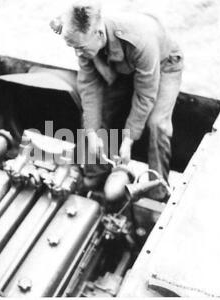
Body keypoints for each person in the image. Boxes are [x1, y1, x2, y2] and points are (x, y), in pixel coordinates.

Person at [50, 0, 183, 201]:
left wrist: (128, 139)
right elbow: (89, 90)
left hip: (164, 65)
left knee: (157, 124)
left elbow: (145, 94)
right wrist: (92, 133)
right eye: (74, 48)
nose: (78, 54)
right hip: (121, 66)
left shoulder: (139, 41)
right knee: (102, 113)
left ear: (99, 34)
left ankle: (158, 191)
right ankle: (95, 178)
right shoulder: (86, 43)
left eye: (80, 48)